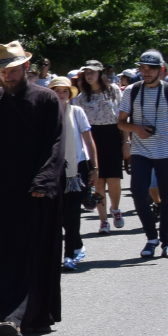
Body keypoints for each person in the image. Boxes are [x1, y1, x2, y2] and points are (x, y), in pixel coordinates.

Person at [0, 40, 65, 336]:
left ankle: (18, 318)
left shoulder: (46, 98)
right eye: (3, 71)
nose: (8, 75)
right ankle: (10, 314)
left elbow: (56, 141)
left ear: (26, 67)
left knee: (34, 254)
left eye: (13, 69)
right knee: (2, 254)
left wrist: (44, 181)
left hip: (35, 192)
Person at [118, 50, 168, 258]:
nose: (146, 72)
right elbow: (121, 122)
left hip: (166, 151)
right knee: (138, 194)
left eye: (150, 68)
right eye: (142, 68)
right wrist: (135, 129)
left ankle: (167, 243)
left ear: (161, 70)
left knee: (167, 199)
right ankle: (151, 238)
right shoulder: (131, 91)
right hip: (140, 151)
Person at [50, 74, 98, 269]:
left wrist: (95, 167)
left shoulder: (77, 112)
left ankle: (68, 255)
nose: (61, 94)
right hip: (52, 168)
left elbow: (89, 140)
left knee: (72, 213)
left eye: (65, 91)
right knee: (58, 214)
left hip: (75, 168)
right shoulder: (45, 113)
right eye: (57, 91)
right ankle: (77, 244)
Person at [78, 61, 125, 232]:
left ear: (100, 73)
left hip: (112, 136)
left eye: (92, 72)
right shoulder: (82, 97)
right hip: (92, 139)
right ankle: (103, 220)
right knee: (98, 183)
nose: (89, 75)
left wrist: (126, 142)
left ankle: (115, 209)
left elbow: (123, 117)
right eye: (86, 72)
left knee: (114, 181)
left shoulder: (113, 90)